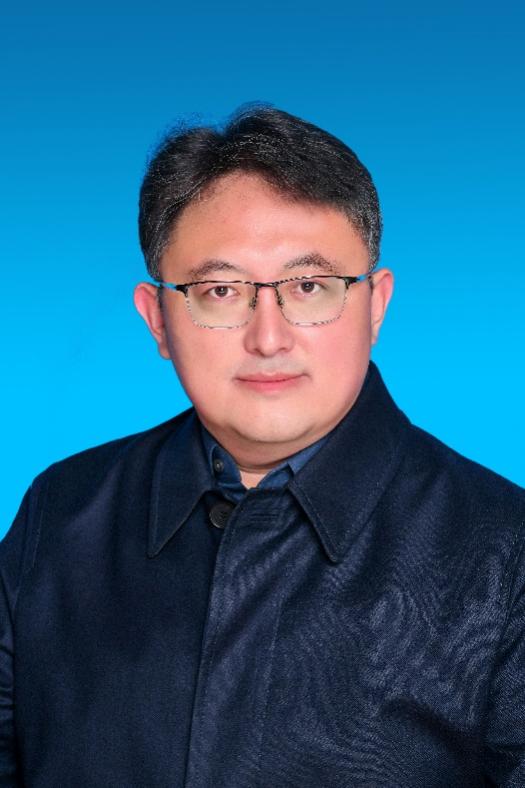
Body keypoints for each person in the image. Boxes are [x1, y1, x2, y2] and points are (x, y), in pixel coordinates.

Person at [1, 106, 524, 787]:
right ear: (158, 320)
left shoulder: (505, 551)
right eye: (220, 291)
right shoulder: (63, 511)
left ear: (375, 305)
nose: (268, 338)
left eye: (309, 287)